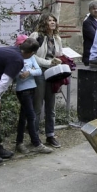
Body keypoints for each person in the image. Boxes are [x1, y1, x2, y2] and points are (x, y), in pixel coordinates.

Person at [30, 14, 68, 148]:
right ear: (43, 23)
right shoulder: (36, 36)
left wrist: (58, 61)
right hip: (39, 71)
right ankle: (34, 137)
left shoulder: (57, 38)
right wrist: (48, 62)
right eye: (49, 21)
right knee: (37, 105)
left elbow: (59, 54)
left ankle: (50, 135)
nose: (52, 23)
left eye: (54, 20)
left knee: (51, 106)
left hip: (53, 73)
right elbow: (31, 56)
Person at [14, 36, 52, 155]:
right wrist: (20, 74)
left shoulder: (31, 57)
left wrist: (29, 72)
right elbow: (15, 73)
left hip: (32, 88)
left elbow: (39, 71)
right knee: (31, 116)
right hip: (22, 90)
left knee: (23, 116)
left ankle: (19, 142)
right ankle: (36, 143)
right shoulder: (18, 57)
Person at [82, 0, 97, 66]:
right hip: (91, 56)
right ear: (90, 10)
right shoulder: (87, 22)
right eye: (94, 9)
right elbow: (96, 37)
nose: (96, 10)